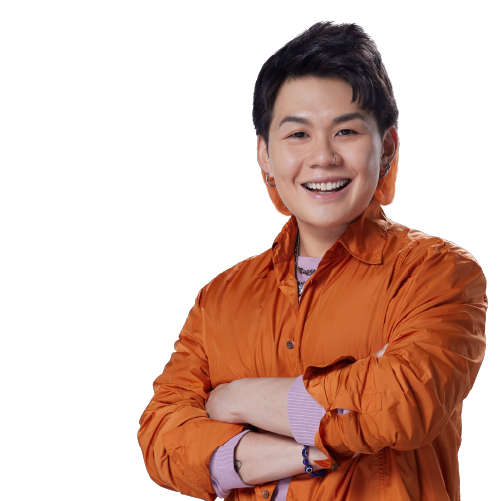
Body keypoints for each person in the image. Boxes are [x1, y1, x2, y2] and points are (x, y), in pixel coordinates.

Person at [137, 21, 487, 501]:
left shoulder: (437, 274)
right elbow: (162, 439)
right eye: (298, 134)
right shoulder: (220, 299)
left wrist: (234, 399)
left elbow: (402, 402)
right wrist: (312, 446)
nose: (323, 157)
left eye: (346, 131)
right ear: (264, 154)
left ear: (387, 147)